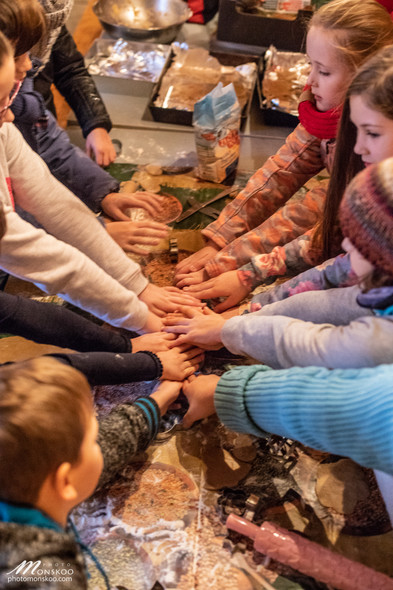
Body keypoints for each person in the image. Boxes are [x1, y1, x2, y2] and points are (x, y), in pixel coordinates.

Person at [175, 0, 393, 303]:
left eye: (324, 71)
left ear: (367, 75)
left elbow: (327, 228)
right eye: (311, 66)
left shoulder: (381, 149)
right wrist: (220, 239)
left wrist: (240, 270)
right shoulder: (325, 110)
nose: (310, 81)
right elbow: (280, 173)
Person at [0, 31, 200, 335]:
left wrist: (137, 286)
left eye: (10, 96)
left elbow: (56, 204)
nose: (12, 116)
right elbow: (50, 263)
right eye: (2, 102)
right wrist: (141, 320)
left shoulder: (4, 126)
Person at [164, 157, 393, 370]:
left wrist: (230, 385)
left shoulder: (379, 341)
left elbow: (316, 347)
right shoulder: (374, 276)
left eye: (357, 242)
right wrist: (243, 314)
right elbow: (322, 299)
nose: (344, 246)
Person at [2, 0, 170, 254]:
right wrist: (95, 233)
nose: (30, 67)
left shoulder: (15, 96)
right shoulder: (8, 103)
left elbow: (43, 141)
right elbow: (12, 224)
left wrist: (101, 191)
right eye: (21, 55)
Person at [0, 357, 184, 588]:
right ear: (65, 481)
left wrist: (155, 404)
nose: (100, 442)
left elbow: (107, 444)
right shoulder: (43, 576)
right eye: (92, 440)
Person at [34, 0, 116, 167]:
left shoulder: (47, 12)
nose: (29, 66)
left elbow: (70, 69)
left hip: (45, 134)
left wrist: (95, 124)